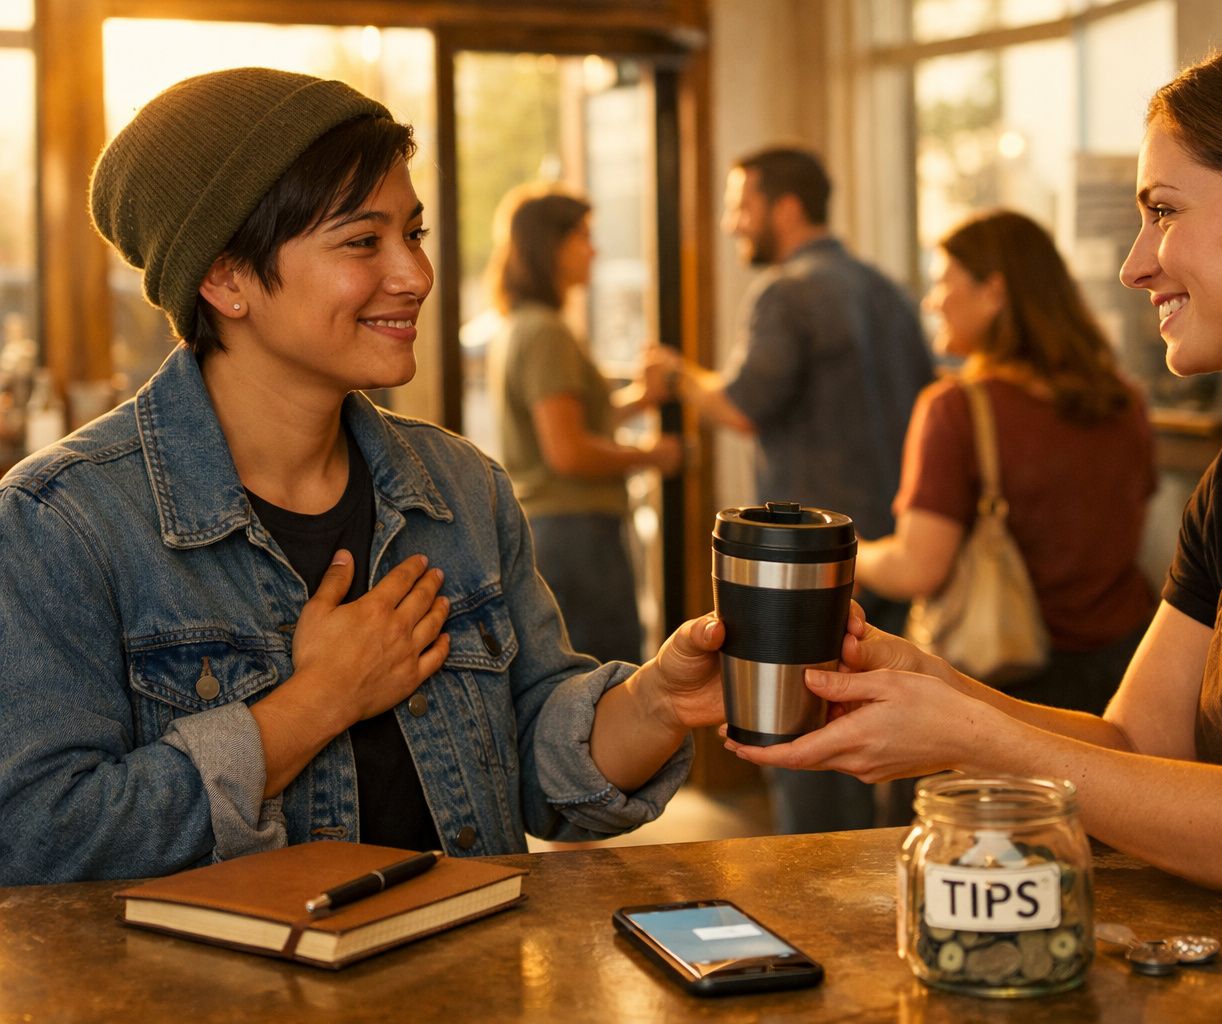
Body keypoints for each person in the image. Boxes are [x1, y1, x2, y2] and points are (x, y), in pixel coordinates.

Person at [725, 29, 1222, 968]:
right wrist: (929, 687)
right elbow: (1137, 739)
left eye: (1164, 211)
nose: (1135, 264)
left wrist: (972, 737)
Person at [0, 68, 725, 886]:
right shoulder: (62, 522)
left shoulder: (460, 488)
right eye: (361, 241)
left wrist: (662, 699)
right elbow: (38, 841)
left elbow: (538, 766)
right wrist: (318, 702)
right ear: (226, 277)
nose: (414, 275)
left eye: (411, 234)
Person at [653, 145, 934, 833]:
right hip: (898, 550)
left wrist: (677, 377)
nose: (730, 223)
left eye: (739, 204)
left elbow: (747, 403)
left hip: (808, 569)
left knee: (808, 749)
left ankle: (820, 912)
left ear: (784, 207)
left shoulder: (785, 291)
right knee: (892, 742)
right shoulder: (887, 289)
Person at [858, 210, 1154, 713]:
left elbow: (917, 570)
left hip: (1005, 685)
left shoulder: (956, 410)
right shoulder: (1123, 402)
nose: (932, 301)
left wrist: (851, 554)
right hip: (1127, 671)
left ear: (993, 291)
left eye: (942, 282)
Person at [484, 184, 680, 665]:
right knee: (603, 679)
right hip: (576, 535)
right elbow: (567, 450)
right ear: (552, 246)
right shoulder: (547, 332)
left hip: (556, 531)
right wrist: (652, 455)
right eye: (583, 236)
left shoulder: (519, 324)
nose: (594, 249)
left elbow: (575, 419)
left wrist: (641, 398)